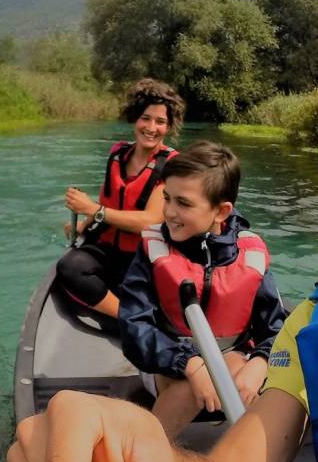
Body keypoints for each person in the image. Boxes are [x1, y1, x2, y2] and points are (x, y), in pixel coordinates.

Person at [8, 42, 318, 462]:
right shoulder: (315, 326)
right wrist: (144, 453)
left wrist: (254, 362)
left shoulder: (251, 260)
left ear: (221, 211)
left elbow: (265, 324)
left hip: (222, 357)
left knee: (232, 368)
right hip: (171, 357)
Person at [119, 141, 286, 439]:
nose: (168, 212)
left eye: (183, 203)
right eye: (166, 198)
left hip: (233, 359)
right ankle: (143, 452)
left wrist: (260, 363)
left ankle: (245, 459)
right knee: (193, 385)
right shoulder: (153, 250)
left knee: (240, 368)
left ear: (221, 211)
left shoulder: (251, 255)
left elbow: (275, 329)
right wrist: (191, 365)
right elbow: (135, 328)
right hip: (166, 364)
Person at [56, 78, 185, 318]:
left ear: (169, 127)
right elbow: (110, 200)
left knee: (159, 295)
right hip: (108, 249)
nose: (151, 127)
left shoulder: (171, 164)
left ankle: (134, 315)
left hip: (143, 258)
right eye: (145, 118)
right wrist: (85, 223)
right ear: (135, 119)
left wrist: (92, 210)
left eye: (160, 122)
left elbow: (149, 221)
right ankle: (124, 316)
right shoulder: (118, 154)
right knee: (68, 267)